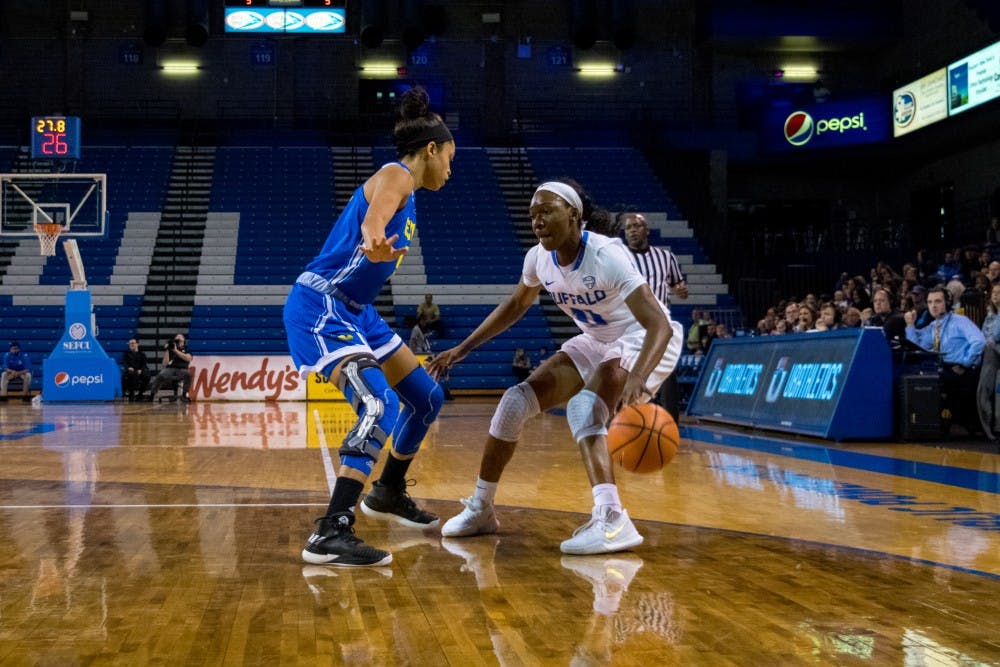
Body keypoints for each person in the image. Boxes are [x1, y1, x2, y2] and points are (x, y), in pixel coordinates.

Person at [428, 179, 683, 555]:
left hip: (639, 338)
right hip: (597, 339)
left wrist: (639, 376)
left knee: (584, 408)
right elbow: (516, 305)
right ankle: (482, 507)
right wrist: (463, 348)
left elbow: (657, 324)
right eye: (532, 215)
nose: (538, 221)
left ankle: (613, 520)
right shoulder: (538, 258)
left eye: (547, 211)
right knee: (515, 402)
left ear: (574, 215)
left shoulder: (607, 255)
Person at [283, 86, 455, 568]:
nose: (450, 169)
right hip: (321, 304)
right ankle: (330, 530)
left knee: (426, 398)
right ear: (431, 150)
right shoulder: (395, 175)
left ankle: (387, 491)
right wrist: (374, 238)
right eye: (449, 158)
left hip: (358, 311)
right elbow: (376, 216)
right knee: (378, 403)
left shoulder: (412, 193)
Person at [619, 210, 688, 423]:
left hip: (659, 325)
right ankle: (626, 422)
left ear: (646, 230)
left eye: (636, 226)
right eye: (628, 228)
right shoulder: (620, 258)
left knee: (667, 375)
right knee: (628, 374)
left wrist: (681, 291)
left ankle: (671, 425)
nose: (632, 231)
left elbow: (678, 284)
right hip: (630, 326)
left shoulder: (666, 257)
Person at [905, 286, 986, 436]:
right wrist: (910, 325)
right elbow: (918, 347)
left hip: (962, 370)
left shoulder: (960, 321)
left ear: (947, 303)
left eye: (938, 301)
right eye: (929, 302)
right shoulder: (933, 326)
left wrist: (965, 363)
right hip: (943, 368)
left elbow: (979, 341)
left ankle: (951, 422)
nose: (933, 306)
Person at [977, 283, 1000, 439]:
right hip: (989, 357)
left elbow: (995, 336)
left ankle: (996, 426)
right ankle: (988, 427)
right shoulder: (990, 316)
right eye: (994, 292)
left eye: (999, 293)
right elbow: (982, 336)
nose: (996, 295)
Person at [148, 333, 193, 401]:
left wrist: (176, 351)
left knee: (188, 375)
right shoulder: (171, 349)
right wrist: (167, 350)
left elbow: (187, 358)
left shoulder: (187, 349)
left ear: (184, 340)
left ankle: (184, 395)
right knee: (160, 375)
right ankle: (152, 395)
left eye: (180, 338)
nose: (178, 340)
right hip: (170, 369)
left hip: (182, 369)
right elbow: (164, 363)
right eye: (176, 339)